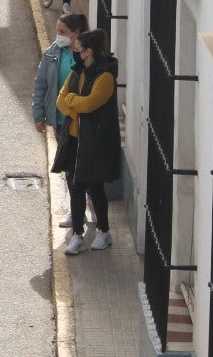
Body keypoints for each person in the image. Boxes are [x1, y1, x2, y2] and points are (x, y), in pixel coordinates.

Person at [54, 29, 120, 255]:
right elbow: (61, 100)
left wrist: (73, 102)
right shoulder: (77, 72)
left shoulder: (105, 77)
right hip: (74, 138)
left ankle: (103, 231)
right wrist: (75, 109)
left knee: (94, 186)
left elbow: (90, 103)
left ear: (88, 52)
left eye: (78, 49)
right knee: (76, 186)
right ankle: (78, 235)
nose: (75, 52)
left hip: (95, 141)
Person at [31, 12, 90, 229]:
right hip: (60, 121)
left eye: (62, 32)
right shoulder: (51, 54)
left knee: (85, 166)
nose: (58, 35)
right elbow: (41, 86)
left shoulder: (87, 56)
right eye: (57, 31)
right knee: (70, 167)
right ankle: (76, 211)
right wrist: (38, 114)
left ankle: (88, 205)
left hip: (83, 121)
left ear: (76, 33)